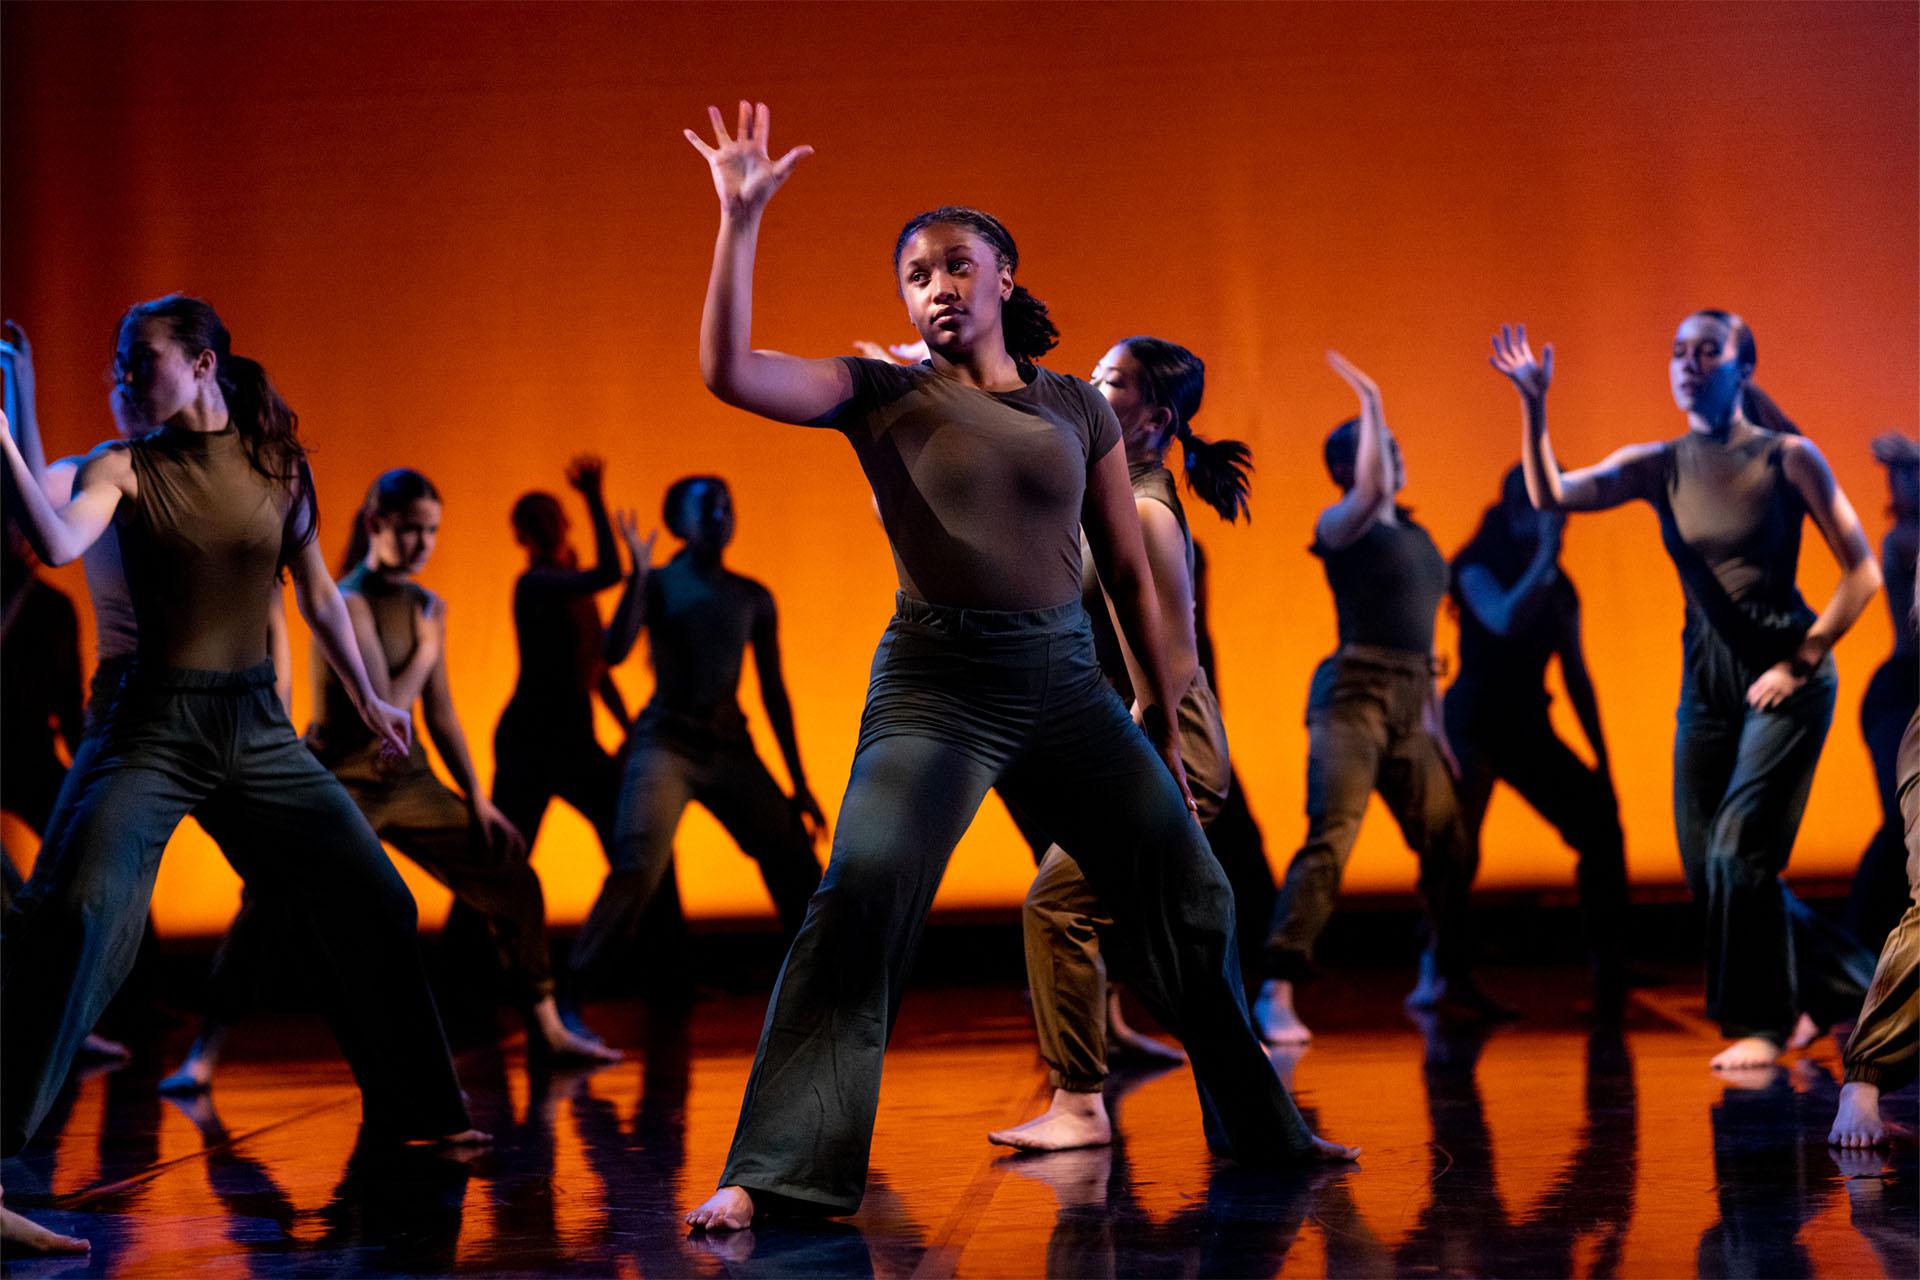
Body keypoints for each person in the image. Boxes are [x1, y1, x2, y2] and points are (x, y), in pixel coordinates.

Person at [678, 102, 1354, 1231]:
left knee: (1192, 890)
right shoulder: (881, 392)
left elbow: (1129, 573)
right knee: (862, 895)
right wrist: (739, 219)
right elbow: (729, 373)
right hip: (938, 686)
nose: (937, 287)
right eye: (916, 276)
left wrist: (1160, 717)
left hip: (1067, 685)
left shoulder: (1077, 405)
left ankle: (1262, 1126)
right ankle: (777, 1169)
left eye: (957, 265)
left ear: (1004, 278)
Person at [0, 294, 486, 1252]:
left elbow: (319, 599)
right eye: (119, 362)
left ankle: (418, 1109)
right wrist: (6, 430)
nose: (124, 376)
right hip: (149, 724)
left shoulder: (277, 467)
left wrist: (373, 697)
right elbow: (55, 544)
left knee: (373, 897)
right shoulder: (122, 467)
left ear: (203, 363)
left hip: (256, 724)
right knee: (81, 914)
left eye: (142, 358)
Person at [1489, 314, 1880, 1069]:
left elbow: (1860, 572)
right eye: (1678, 352)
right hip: (1706, 680)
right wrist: (1533, 405)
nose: (1689, 364)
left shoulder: (1790, 458)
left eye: (1707, 352)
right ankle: (1863, 988)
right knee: (1710, 870)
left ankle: (1764, 1023)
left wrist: (1801, 662)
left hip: (1786, 674)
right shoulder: (1659, 464)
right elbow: (1553, 493)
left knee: (1739, 853)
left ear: (1743, 367)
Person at [162, 467, 619, 1095]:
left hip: (410, 782)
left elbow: (441, 714)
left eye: (431, 531)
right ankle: (205, 1053)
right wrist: (426, 649)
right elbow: (389, 710)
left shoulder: (426, 605)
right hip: (343, 780)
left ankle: (547, 1028)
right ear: (377, 523)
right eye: (409, 529)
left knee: (512, 874)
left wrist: (478, 800)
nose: (422, 543)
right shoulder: (346, 599)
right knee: (271, 901)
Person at [988, 334, 1253, 1152]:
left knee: (1059, 904)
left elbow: (1177, 662)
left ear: (1154, 419)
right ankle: (1256, 1119)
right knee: (1159, 941)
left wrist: (1142, 750)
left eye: (1109, 381)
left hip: (1169, 752)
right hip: (1128, 749)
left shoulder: (1145, 513)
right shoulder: (1107, 498)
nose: (1089, 387)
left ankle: (1080, 1104)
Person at [1253, 353, 1493, 1046]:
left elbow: (1427, 642)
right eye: (1378, 449)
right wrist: (1371, 396)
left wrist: (1435, 726)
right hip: (1353, 697)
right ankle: (1277, 986)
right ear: (1349, 467)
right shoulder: (1340, 525)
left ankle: (1441, 970)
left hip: (1412, 701)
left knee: (1450, 841)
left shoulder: (1417, 537)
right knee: (1332, 838)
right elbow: (1372, 487)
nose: (1394, 457)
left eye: (1393, 446)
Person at [568, 475, 824, 985]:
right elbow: (612, 653)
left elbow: (774, 693)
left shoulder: (751, 595)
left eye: (727, 505)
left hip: (730, 749)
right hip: (666, 746)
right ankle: (570, 989)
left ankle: (823, 984)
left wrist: (799, 783)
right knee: (637, 867)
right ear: (677, 522)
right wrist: (639, 578)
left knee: (795, 857)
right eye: (708, 505)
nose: (721, 515)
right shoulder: (658, 582)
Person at [1445, 464, 1628, 1005]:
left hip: (1526, 723)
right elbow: (1503, 619)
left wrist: (1603, 759)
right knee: (1459, 851)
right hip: (1474, 721)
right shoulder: (1476, 564)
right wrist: (1546, 554)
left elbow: (1576, 674)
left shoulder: (1559, 587)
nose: (1559, 518)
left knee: (1599, 821)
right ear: (1516, 508)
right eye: (1549, 505)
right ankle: (1448, 975)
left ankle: (1610, 967)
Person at [1849, 432, 1918, 952]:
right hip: (1900, 693)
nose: (1905, 484)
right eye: (1903, 476)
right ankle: (1852, 954)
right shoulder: (1902, 541)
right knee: (1901, 821)